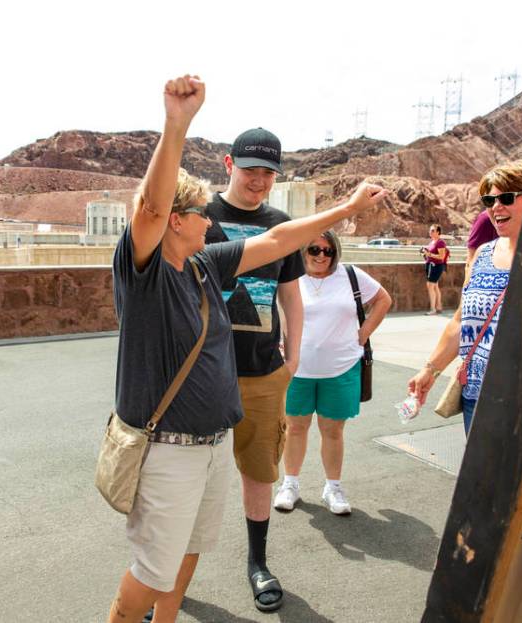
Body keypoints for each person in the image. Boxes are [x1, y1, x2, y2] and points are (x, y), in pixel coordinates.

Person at [108, 74, 387, 623]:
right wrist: (177, 124)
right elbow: (149, 207)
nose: (211, 222)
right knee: (153, 566)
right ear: (172, 221)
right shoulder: (145, 275)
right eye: (198, 216)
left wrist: (346, 208)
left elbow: (280, 241)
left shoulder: (205, 263)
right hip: (169, 447)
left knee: (188, 548)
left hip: (211, 442)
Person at [203, 127, 303, 612]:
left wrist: (295, 355)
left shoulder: (281, 223)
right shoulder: (198, 217)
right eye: (250, 170)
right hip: (202, 372)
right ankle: (169, 569)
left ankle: (257, 561)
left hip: (263, 371)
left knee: (260, 469)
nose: (259, 181)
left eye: (268, 173)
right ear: (227, 163)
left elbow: (291, 294)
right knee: (186, 470)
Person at [407, 160, 522, 434]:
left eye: (507, 197)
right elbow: (460, 323)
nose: (495, 207)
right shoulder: (483, 255)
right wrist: (430, 370)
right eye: (489, 199)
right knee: (483, 478)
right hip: (476, 398)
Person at [273, 231, 392, 515]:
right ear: (303, 250)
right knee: (295, 427)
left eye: (327, 251)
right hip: (297, 369)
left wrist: (362, 334)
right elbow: (274, 310)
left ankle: (333, 487)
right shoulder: (290, 278)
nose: (321, 256)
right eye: (314, 248)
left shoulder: (350, 275)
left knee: (333, 431)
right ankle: (290, 484)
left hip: (341, 369)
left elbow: (383, 300)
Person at [421, 224, 447, 314]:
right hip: (430, 266)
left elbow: (442, 256)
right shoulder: (431, 242)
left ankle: (433, 309)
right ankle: (438, 306)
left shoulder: (440, 242)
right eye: (430, 230)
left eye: (432, 231)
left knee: (430, 286)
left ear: (438, 232)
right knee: (435, 286)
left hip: (436, 267)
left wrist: (430, 255)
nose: (430, 232)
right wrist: (425, 253)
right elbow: (429, 254)